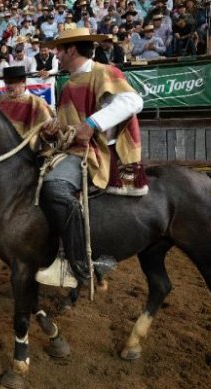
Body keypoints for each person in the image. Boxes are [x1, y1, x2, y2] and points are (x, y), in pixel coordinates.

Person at [36, 28, 146, 285]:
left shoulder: (104, 72)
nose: (56, 55)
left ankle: (77, 264)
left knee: (54, 188)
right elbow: (68, 127)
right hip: (70, 149)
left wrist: (93, 122)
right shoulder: (70, 82)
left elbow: (133, 101)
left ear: (71, 50)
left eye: (59, 50)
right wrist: (54, 129)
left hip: (93, 153)